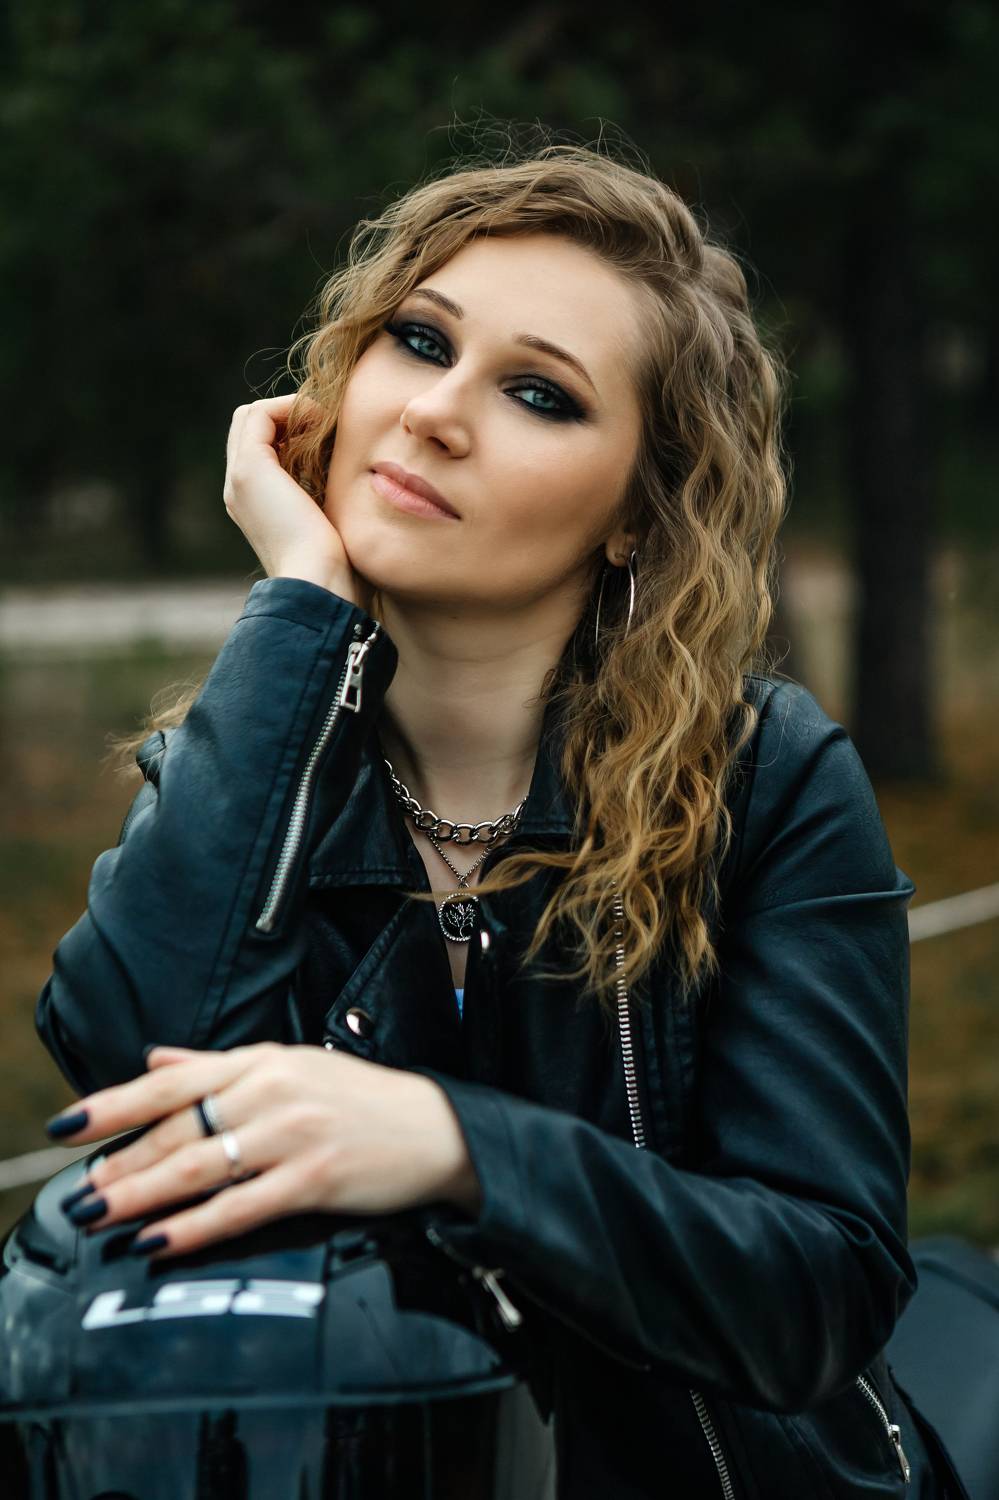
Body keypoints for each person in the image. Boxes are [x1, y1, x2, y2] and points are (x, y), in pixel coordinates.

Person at [36, 133, 958, 1498]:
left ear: (636, 515)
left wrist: (453, 1147)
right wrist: (304, 604)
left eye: (538, 393)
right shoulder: (246, 765)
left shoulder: (768, 780)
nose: (434, 412)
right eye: (420, 340)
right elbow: (132, 1051)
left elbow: (818, 1287)